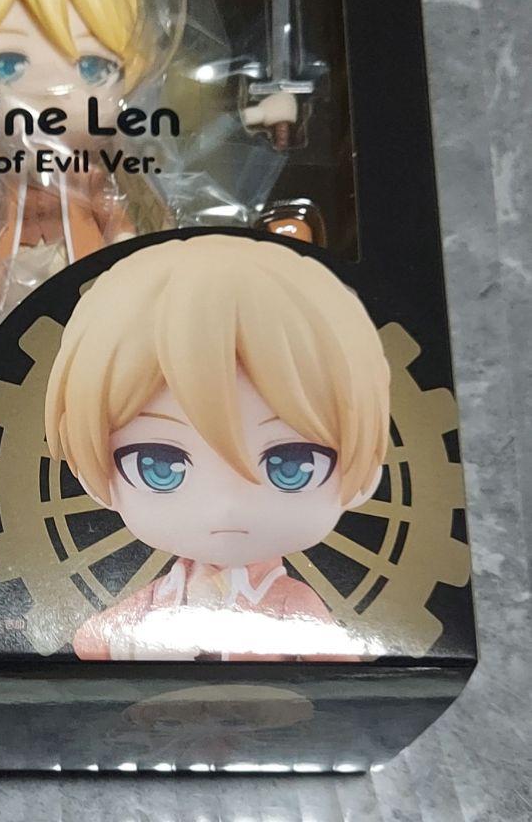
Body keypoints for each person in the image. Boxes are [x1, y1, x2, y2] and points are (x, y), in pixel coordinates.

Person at [44, 234, 390, 661]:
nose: (226, 507)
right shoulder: (167, 594)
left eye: (292, 465)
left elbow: (340, 665)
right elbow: (90, 640)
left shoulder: (287, 602)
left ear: (365, 477)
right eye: (159, 466)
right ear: (95, 479)